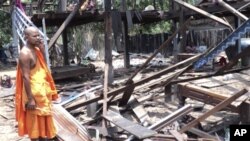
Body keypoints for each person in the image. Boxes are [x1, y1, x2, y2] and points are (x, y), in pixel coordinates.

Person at [15, 27, 59, 141]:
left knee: (44, 125)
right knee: (34, 125)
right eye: (35, 36)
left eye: (38, 35)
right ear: (26, 37)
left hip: (42, 92)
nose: (38, 38)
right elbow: (25, 77)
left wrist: (42, 49)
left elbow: (43, 65)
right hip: (33, 94)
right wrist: (30, 99)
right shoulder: (25, 54)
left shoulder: (37, 50)